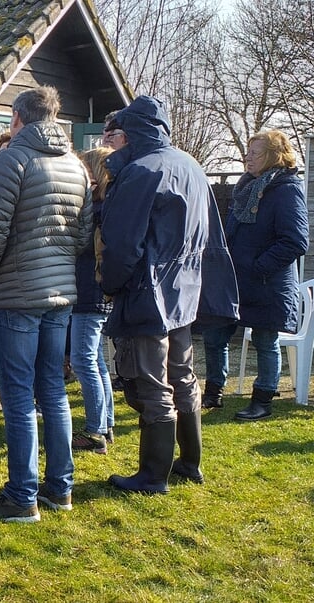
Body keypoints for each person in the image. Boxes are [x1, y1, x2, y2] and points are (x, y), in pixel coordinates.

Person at [100, 95, 238, 493]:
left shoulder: (142, 170)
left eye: (117, 135)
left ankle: (152, 474)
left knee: (151, 381)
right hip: (186, 287)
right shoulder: (190, 164)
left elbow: (123, 244)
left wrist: (110, 283)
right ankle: (189, 462)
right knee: (182, 374)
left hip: (149, 289)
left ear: (129, 133)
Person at [0, 86, 91, 521]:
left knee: (19, 398)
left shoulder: (13, 160)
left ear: (17, 118)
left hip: (18, 294)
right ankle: (60, 489)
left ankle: (22, 496)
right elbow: (82, 234)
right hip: (60, 293)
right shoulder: (76, 165)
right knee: (53, 392)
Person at [202, 130, 307, 421]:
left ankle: (263, 400)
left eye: (255, 153)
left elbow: (296, 240)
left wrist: (258, 267)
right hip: (235, 280)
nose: (248, 158)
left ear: (274, 156)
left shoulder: (286, 188)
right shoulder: (246, 186)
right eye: (247, 153)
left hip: (266, 282)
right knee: (215, 333)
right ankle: (213, 393)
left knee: (264, 340)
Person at [70, 147, 115, 454]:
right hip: (96, 291)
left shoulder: (97, 211)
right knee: (96, 362)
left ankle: (96, 431)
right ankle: (106, 424)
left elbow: (85, 248)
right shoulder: (107, 207)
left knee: (83, 360)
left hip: (90, 292)